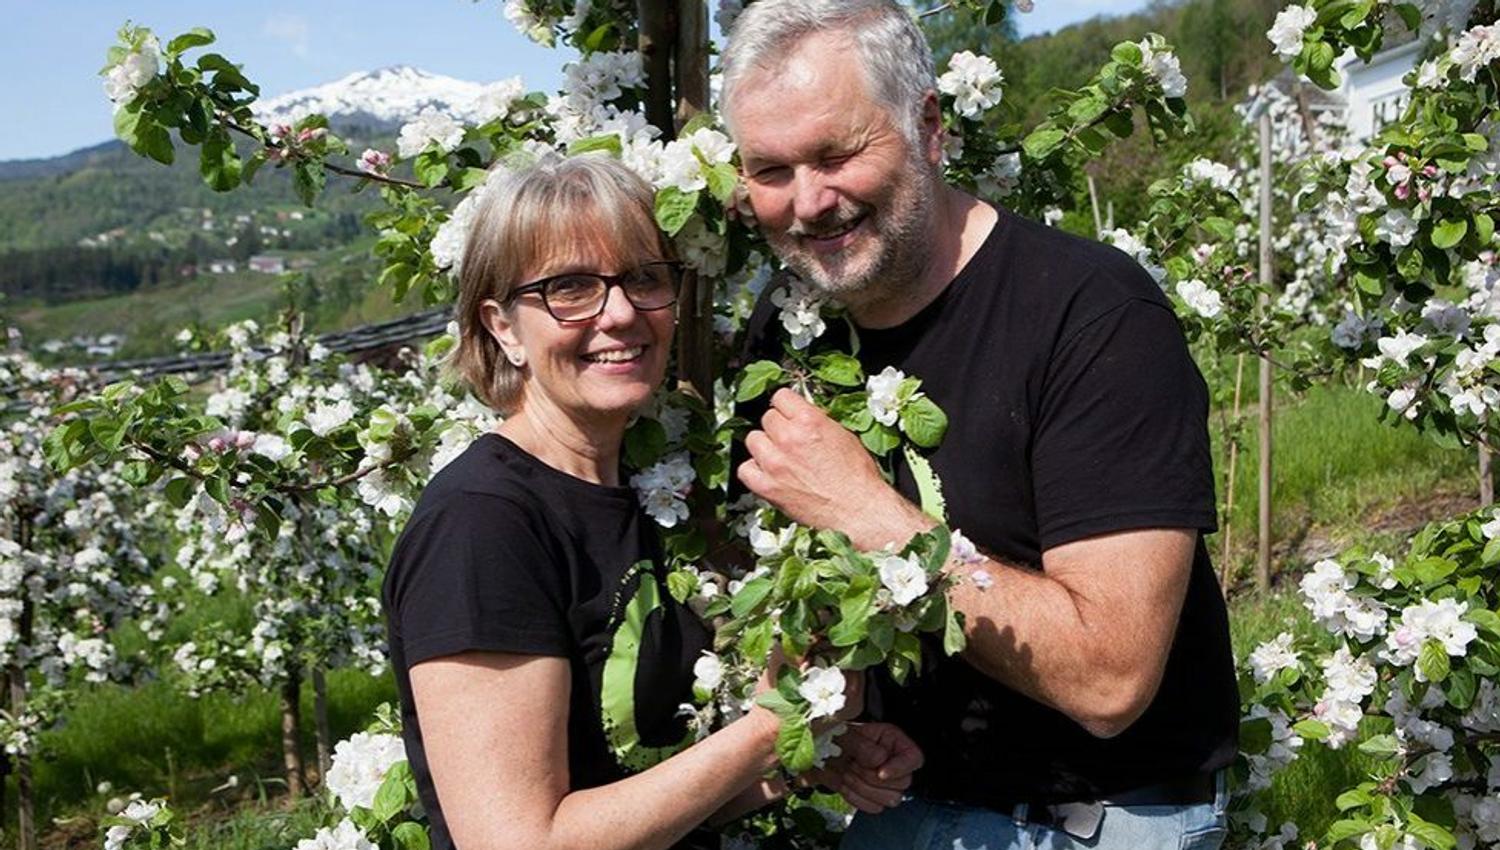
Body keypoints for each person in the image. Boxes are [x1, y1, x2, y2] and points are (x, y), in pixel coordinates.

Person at [719, 2, 1239, 848]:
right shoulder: (789, 331)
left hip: (1099, 820)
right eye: (770, 170)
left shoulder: (1091, 316)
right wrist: (833, 726)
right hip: (905, 806)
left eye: (836, 154)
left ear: (927, 125)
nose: (808, 202)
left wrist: (870, 517)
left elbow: (1112, 677)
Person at [381, 154, 920, 850]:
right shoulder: (483, 526)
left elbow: (633, 791)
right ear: (503, 326)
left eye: (643, 278)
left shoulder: (643, 498)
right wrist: (764, 732)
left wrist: (803, 757)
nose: (621, 314)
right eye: (570, 287)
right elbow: (519, 841)